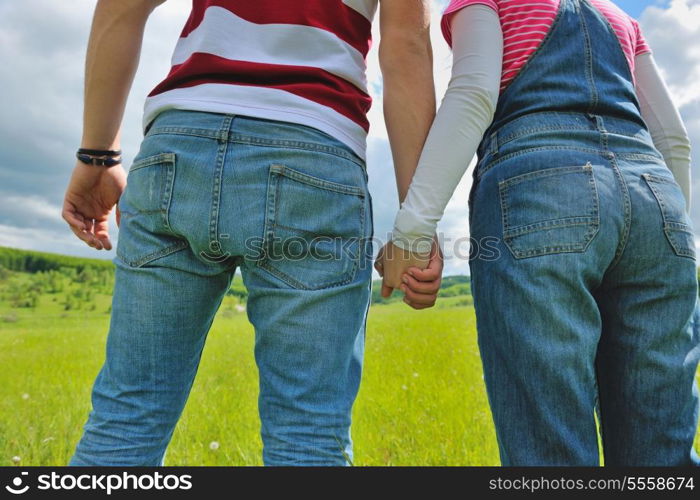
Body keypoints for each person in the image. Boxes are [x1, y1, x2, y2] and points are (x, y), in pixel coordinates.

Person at [62, 0, 443, 466]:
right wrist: (415, 224)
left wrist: (97, 156)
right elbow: (405, 45)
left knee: (127, 416)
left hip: (179, 148)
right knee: (308, 434)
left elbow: (120, 9)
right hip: (313, 149)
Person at [378, 0, 700, 465]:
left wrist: (411, 233)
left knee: (551, 453)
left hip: (541, 190)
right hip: (656, 198)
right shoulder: (621, 18)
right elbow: (673, 140)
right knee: (663, 450)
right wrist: (671, 236)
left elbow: (473, 93)